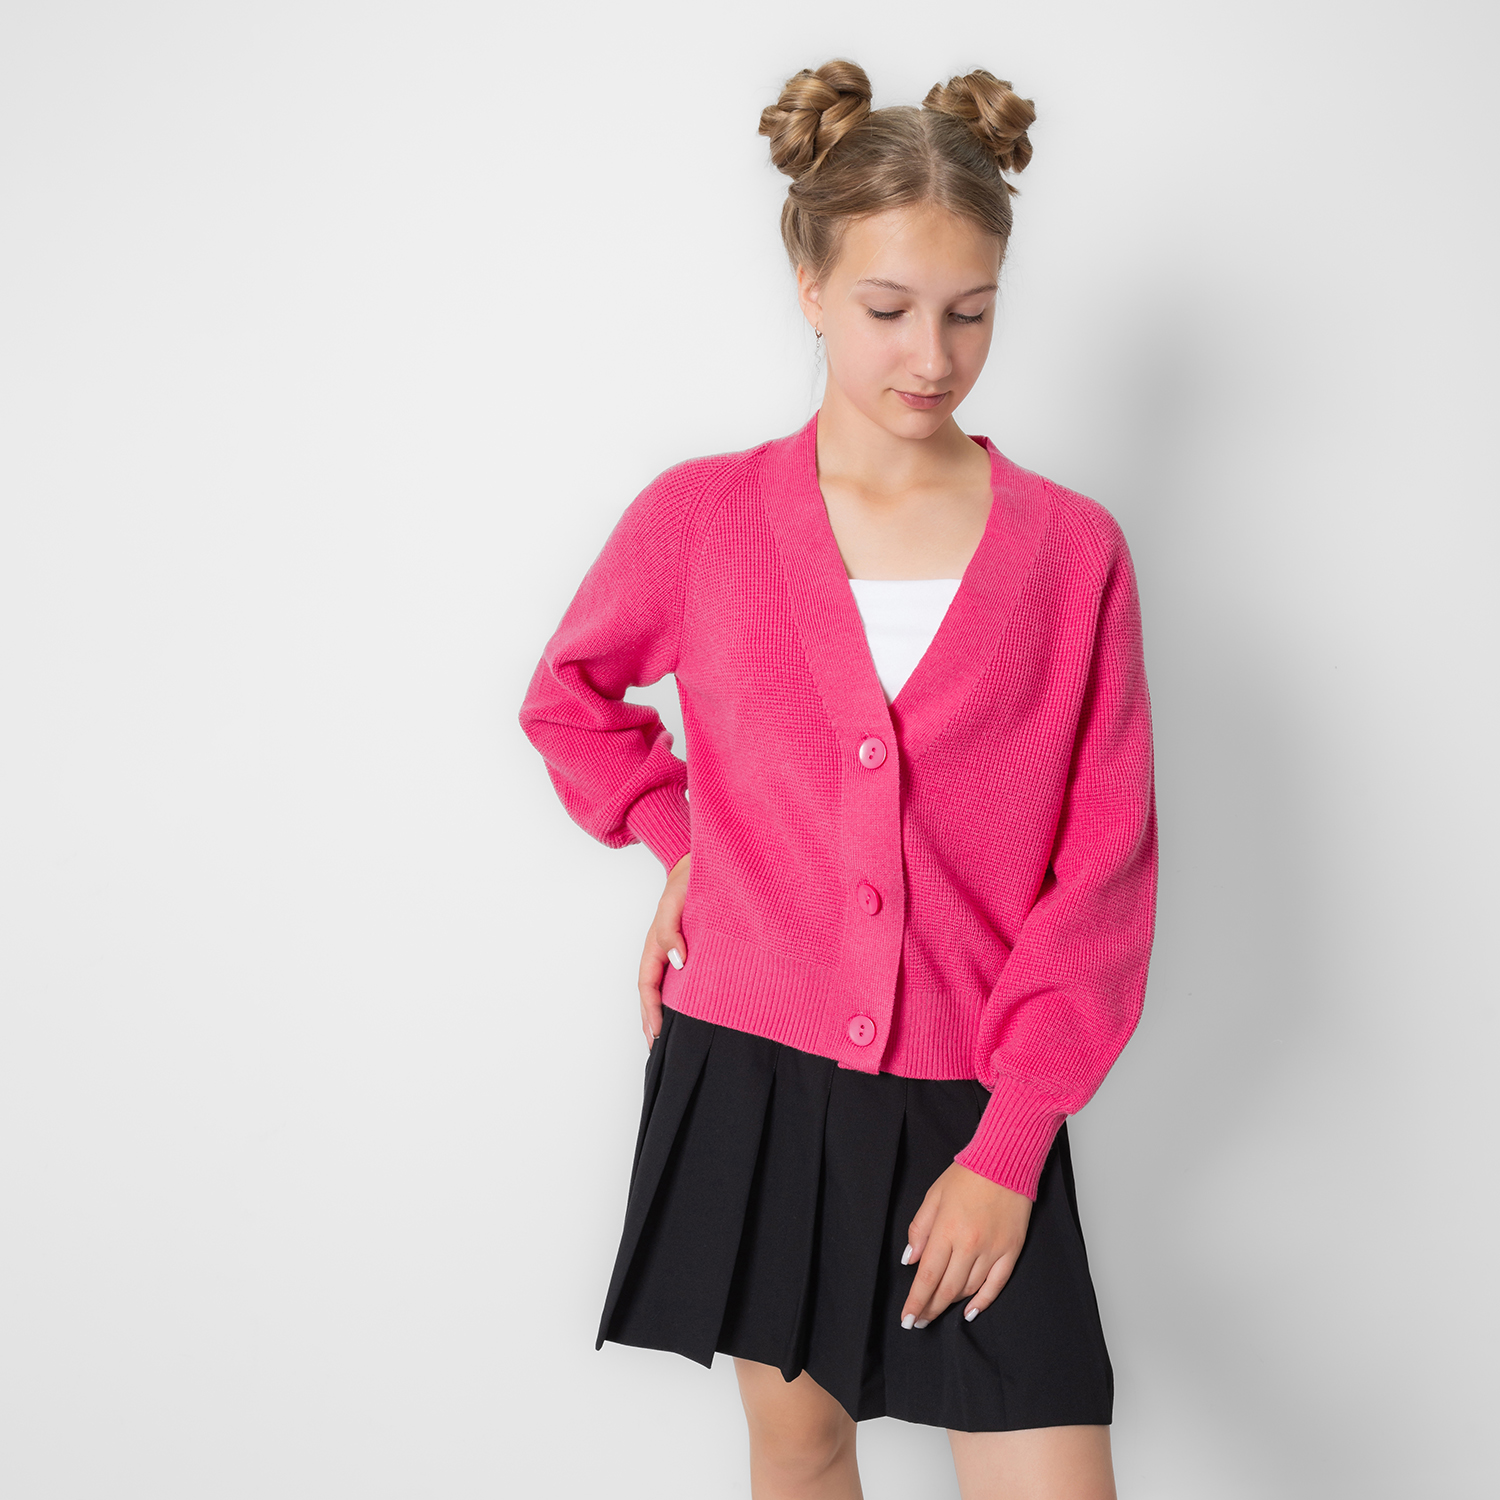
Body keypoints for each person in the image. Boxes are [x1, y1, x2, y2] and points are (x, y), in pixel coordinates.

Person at [518, 58, 1157, 1500]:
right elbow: (571, 701)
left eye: (970, 312)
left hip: (977, 1090)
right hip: (754, 1069)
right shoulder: (705, 519)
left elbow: (1104, 872)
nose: (930, 355)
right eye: (887, 310)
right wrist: (689, 838)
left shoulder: (1071, 554)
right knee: (802, 1456)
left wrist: (1010, 1147)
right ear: (809, 286)